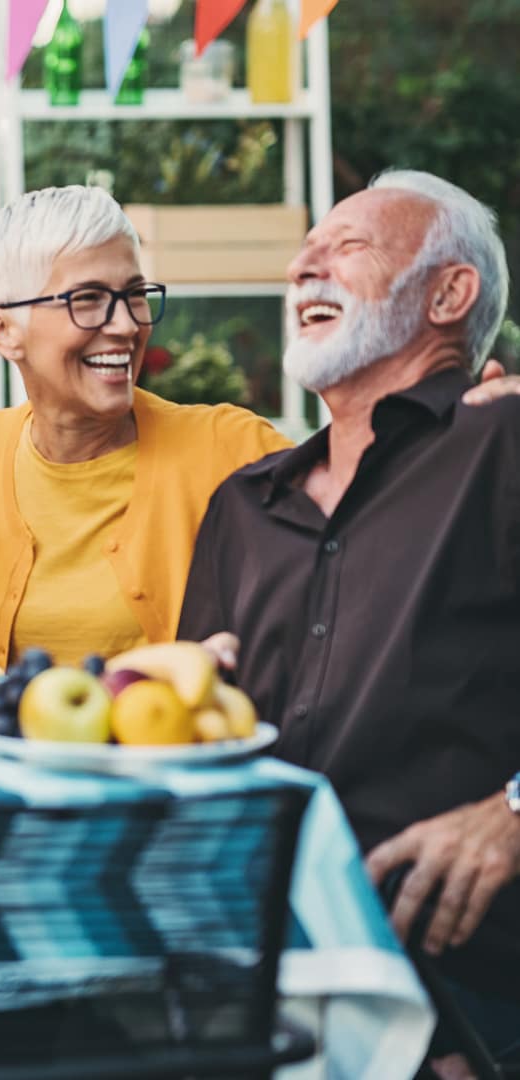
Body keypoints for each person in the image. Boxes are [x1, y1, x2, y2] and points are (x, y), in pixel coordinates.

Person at [176, 170, 520, 1072]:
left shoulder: (504, 442)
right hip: (248, 975)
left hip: (465, 984)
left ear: (450, 293)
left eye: (349, 248)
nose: (303, 267)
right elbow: (190, 732)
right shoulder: (244, 505)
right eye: (304, 251)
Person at [0, 186, 290, 667]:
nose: (128, 325)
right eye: (87, 299)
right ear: (3, 331)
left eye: (135, 295)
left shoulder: (231, 447)